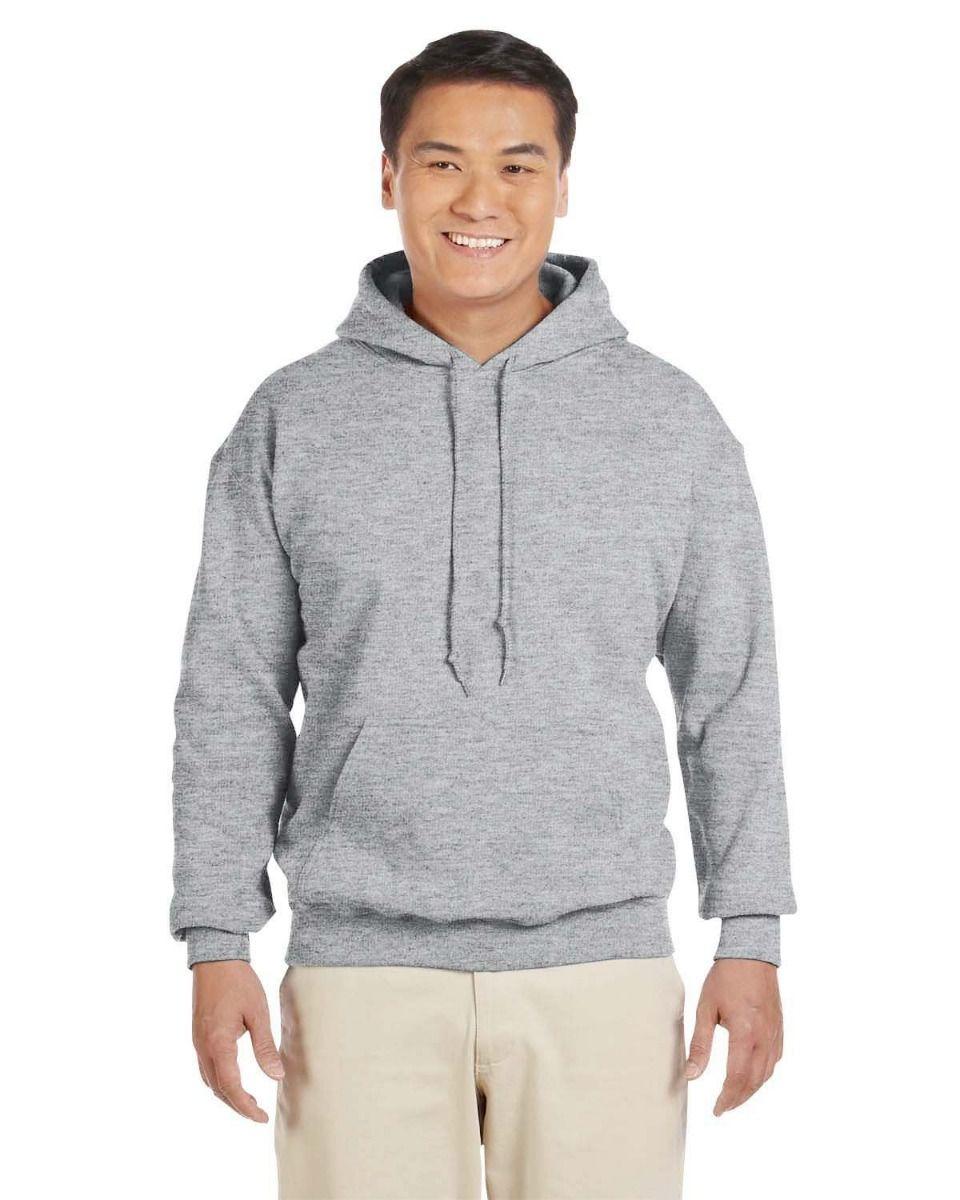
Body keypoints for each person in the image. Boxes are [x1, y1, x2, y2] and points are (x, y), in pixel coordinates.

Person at [169, 28, 797, 1200]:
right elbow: (232, 692)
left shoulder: (669, 422)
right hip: (355, 974)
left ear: (562, 183)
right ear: (389, 176)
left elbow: (732, 689)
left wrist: (749, 932)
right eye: (443, 161)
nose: (479, 200)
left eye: (517, 165)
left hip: (604, 964)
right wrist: (217, 940)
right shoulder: (292, 419)